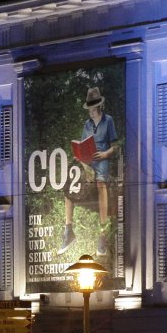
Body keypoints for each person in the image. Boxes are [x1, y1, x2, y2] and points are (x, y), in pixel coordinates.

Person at [62, 86, 119, 256]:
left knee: (101, 184)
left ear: (98, 107)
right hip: (88, 159)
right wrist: (79, 156)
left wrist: (105, 154)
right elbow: (83, 143)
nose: (90, 112)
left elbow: (115, 145)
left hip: (102, 158)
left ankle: (102, 233)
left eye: (92, 108)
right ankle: (68, 229)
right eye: (89, 109)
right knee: (69, 188)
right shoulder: (86, 124)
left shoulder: (108, 121)